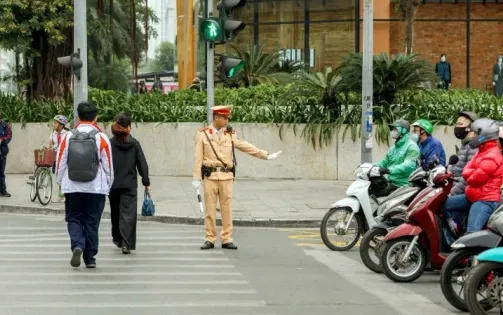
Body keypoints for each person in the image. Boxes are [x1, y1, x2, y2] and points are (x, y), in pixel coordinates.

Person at [192, 105, 282, 250]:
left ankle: (226, 238)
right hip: (210, 176)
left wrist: (265, 155)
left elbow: (246, 146)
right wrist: (196, 177)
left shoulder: (230, 134)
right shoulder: (203, 134)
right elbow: (198, 157)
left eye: (227, 117)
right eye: (224, 117)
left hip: (226, 176)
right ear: (216, 117)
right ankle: (210, 238)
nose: (227, 120)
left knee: (227, 209)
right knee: (210, 209)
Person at [56, 101, 113, 268]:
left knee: (73, 218)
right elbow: (108, 165)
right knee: (92, 221)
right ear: (96, 117)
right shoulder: (101, 137)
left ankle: (77, 244)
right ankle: (90, 258)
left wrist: (61, 182)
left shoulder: (68, 136)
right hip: (96, 188)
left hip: (72, 187)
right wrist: (107, 185)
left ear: (78, 117)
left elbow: (61, 161)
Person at [444, 118, 503, 237]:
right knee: (443, 204)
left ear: (483, 136)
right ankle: (454, 237)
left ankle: (471, 255)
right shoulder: (481, 151)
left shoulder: (492, 155)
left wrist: (469, 175)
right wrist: (469, 173)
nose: (472, 135)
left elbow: (474, 179)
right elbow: (467, 169)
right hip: (472, 195)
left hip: (485, 200)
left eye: (475, 133)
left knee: (471, 233)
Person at [108, 113, 150, 254]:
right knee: (128, 215)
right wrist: (146, 181)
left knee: (115, 213)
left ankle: (117, 239)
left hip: (113, 185)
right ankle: (126, 243)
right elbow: (142, 164)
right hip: (130, 185)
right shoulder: (135, 144)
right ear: (129, 128)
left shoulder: (109, 143)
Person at [376, 119, 420, 189]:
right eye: (392, 129)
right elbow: (385, 162)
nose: (393, 131)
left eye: (395, 129)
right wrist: (370, 166)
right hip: (391, 182)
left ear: (404, 130)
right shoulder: (393, 148)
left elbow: (408, 166)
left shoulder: (411, 146)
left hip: (403, 185)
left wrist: (389, 170)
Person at [450, 111, 479, 196]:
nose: (456, 127)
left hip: (460, 192)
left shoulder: (473, 148)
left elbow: (467, 179)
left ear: (470, 128)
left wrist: (451, 194)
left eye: (460, 124)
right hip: (452, 186)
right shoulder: (465, 145)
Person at [48, 115, 69, 202]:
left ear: (61, 125)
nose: (53, 124)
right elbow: (49, 145)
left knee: (65, 177)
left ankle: (62, 195)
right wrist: (49, 148)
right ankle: (62, 195)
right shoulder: (53, 134)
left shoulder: (67, 134)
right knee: (58, 176)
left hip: (65, 158)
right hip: (56, 158)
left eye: (55, 123)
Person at [0, 111, 12, 197]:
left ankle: (3, 190)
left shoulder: (5, 125)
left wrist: (2, 140)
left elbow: (9, 135)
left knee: (1, 171)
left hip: (2, 151)